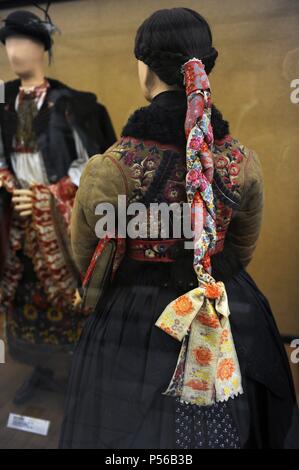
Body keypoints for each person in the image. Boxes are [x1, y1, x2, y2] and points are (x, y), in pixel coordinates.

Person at [59, 8, 295, 449]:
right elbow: (241, 247)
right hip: (226, 304)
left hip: (136, 318)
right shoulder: (241, 160)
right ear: (206, 66)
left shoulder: (110, 168)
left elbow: (86, 253)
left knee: (127, 433)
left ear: (146, 72)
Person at [0, 8, 116, 405]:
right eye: (9, 42)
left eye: (25, 41)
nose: (15, 50)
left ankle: (78, 371)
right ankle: (39, 367)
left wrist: (48, 197)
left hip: (58, 222)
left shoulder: (72, 104)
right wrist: (10, 187)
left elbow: (92, 165)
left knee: (69, 298)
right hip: (17, 218)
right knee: (23, 296)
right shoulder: (3, 103)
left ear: (44, 47)